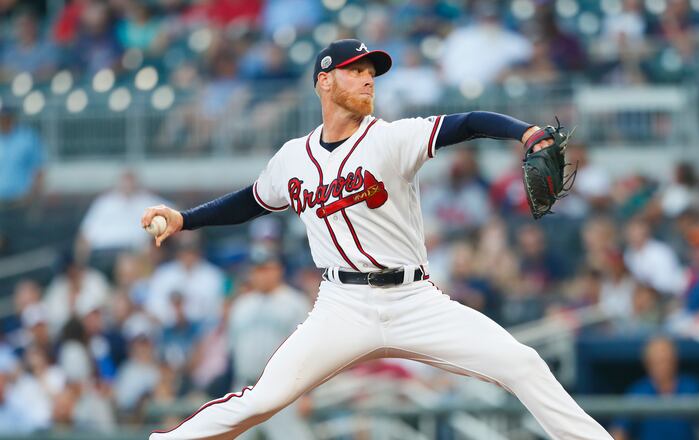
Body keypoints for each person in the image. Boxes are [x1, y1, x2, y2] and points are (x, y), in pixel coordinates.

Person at [142, 39, 612, 439]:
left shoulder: (392, 138)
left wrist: (526, 131)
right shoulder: (293, 158)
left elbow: (466, 122)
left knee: (523, 364)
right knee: (261, 400)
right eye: (356, 71)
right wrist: (185, 220)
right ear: (324, 82)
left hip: (415, 300)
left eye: (372, 72)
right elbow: (252, 200)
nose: (369, 79)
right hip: (341, 306)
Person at [227, 249, 313, 440]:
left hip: (282, 390)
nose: (262, 275)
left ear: (279, 270)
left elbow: (308, 351)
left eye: (267, 269)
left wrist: (307, 394)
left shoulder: (295, 303)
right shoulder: (241, 306)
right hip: (245, 387)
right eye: (257, 270)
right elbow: (232, 354)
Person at [611, 336, 699, 440]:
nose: (662, 366)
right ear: (647, 363)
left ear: (674, 360)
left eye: (665, 360)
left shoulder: (691, 388)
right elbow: (619, 432)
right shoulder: (638, 392)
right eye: (656, 361)